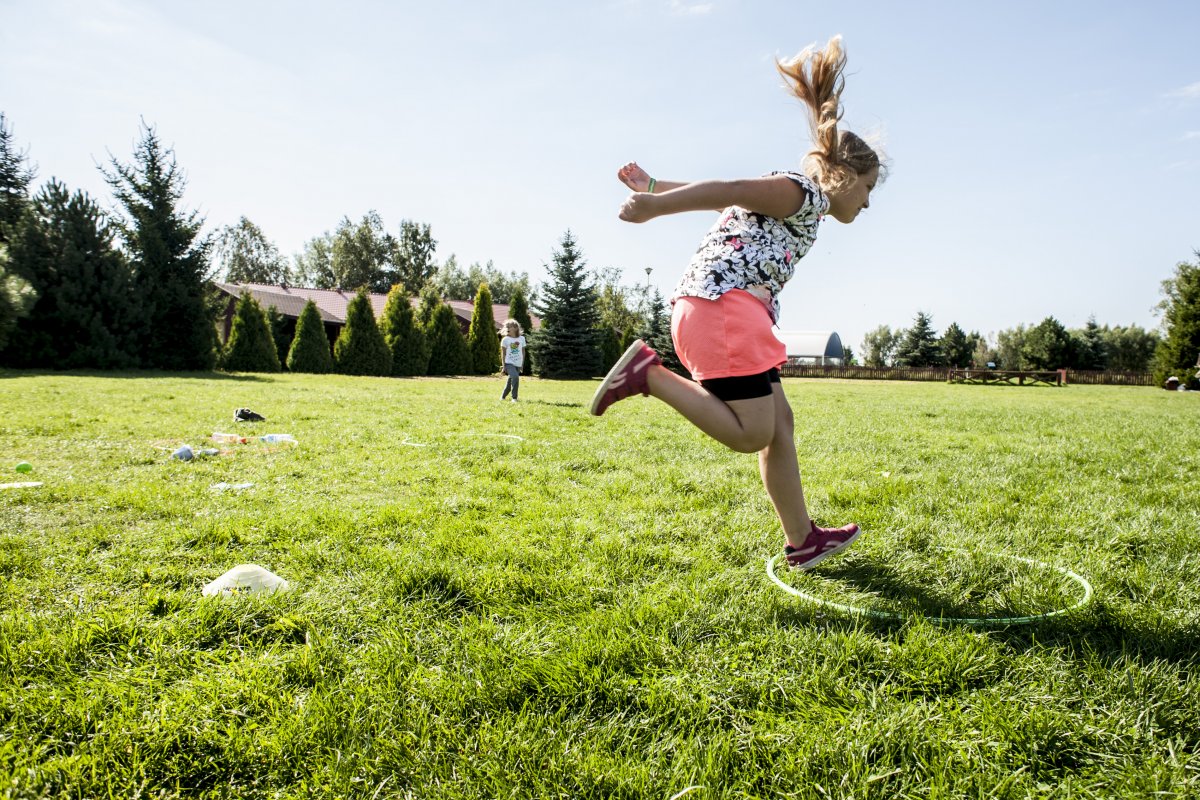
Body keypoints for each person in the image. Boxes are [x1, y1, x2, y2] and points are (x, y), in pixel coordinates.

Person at [590, 35, 883, 570]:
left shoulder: (804, 206)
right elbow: (727, 186)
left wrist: (657, 184)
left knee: (780, 424)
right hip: (723, 310)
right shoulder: (800, 193)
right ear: (841, 177)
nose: (867, 201)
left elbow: (724, 194)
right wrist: (655, 205)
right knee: (753, 433)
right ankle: (648, 374)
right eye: (867, 188)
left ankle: (803, 540)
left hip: (722, 310)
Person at [499, 319, 526, 402]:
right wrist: (504, 366)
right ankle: (514, 398)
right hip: (509, 363)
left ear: (515, 327)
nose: (507, 328)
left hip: (518, 364)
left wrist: (522, 364)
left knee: (510, 381)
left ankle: (502, 397)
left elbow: (523, 352)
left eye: (509, 326)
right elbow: (503, 354)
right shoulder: (505, 340)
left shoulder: (522, 338)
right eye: (506, 326)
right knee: (515, 377)